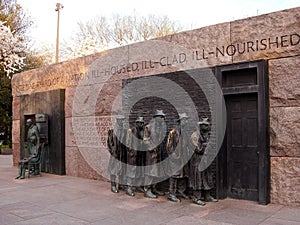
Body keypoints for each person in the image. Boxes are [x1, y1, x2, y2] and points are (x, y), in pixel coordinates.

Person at [189, 117, 218, 205]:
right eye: (205, 125)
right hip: (197, 160)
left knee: (207, 178)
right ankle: (196, 197)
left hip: (205, 160)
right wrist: (206, 146)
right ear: (200, 126)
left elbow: (211, 147)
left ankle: (207, 196)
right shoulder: (195, 135)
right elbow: (197, 149)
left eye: (207, 125)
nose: (207, 127)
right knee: (198, 178)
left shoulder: (207, 134)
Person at [166, 113, 191, 202]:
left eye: (186, 120)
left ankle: (181, 191)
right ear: (181, 121)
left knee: (183, 175)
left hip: (183, 158)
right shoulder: (173, 132)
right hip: (175, 159)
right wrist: (174, 157)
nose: (186, 121)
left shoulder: (185, 132)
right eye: (185, 120)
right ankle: (171, 193)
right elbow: (169, 146)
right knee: (174, 175)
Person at [143, 110, 167, 198]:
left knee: (156, 172)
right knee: (150, 172)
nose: (163, 118)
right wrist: (152, 148)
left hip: (158, 153)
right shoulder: (148, 127)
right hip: (151, 154)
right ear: (156, 117)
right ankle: (147, 190)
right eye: (161, 117)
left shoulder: (161, 128)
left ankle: (154, 188)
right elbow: (145, 139)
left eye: (163, 117)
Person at [126, 116, 146, 197]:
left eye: (142, 123)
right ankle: (129, 187)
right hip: (133, 155)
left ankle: (137, 185)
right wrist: (131, 152)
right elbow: (127, 143)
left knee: (139, 171)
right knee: (131, 171)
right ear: (136, 123)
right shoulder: (131, 131)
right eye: (139, 123)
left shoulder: (143, 131)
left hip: (140, 154)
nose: (141, 124)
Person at [107, 115, 128, 193]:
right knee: (113, 170)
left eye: (123, 120)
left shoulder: (125, 131)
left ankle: (121, 185)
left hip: (122, 154)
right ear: (117, 120)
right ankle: (113, 185)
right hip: (115, 154)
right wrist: (113, 152)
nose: (122, 122)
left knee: (122, 169)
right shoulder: (112, 131)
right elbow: (109, 143)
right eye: (121, 120)